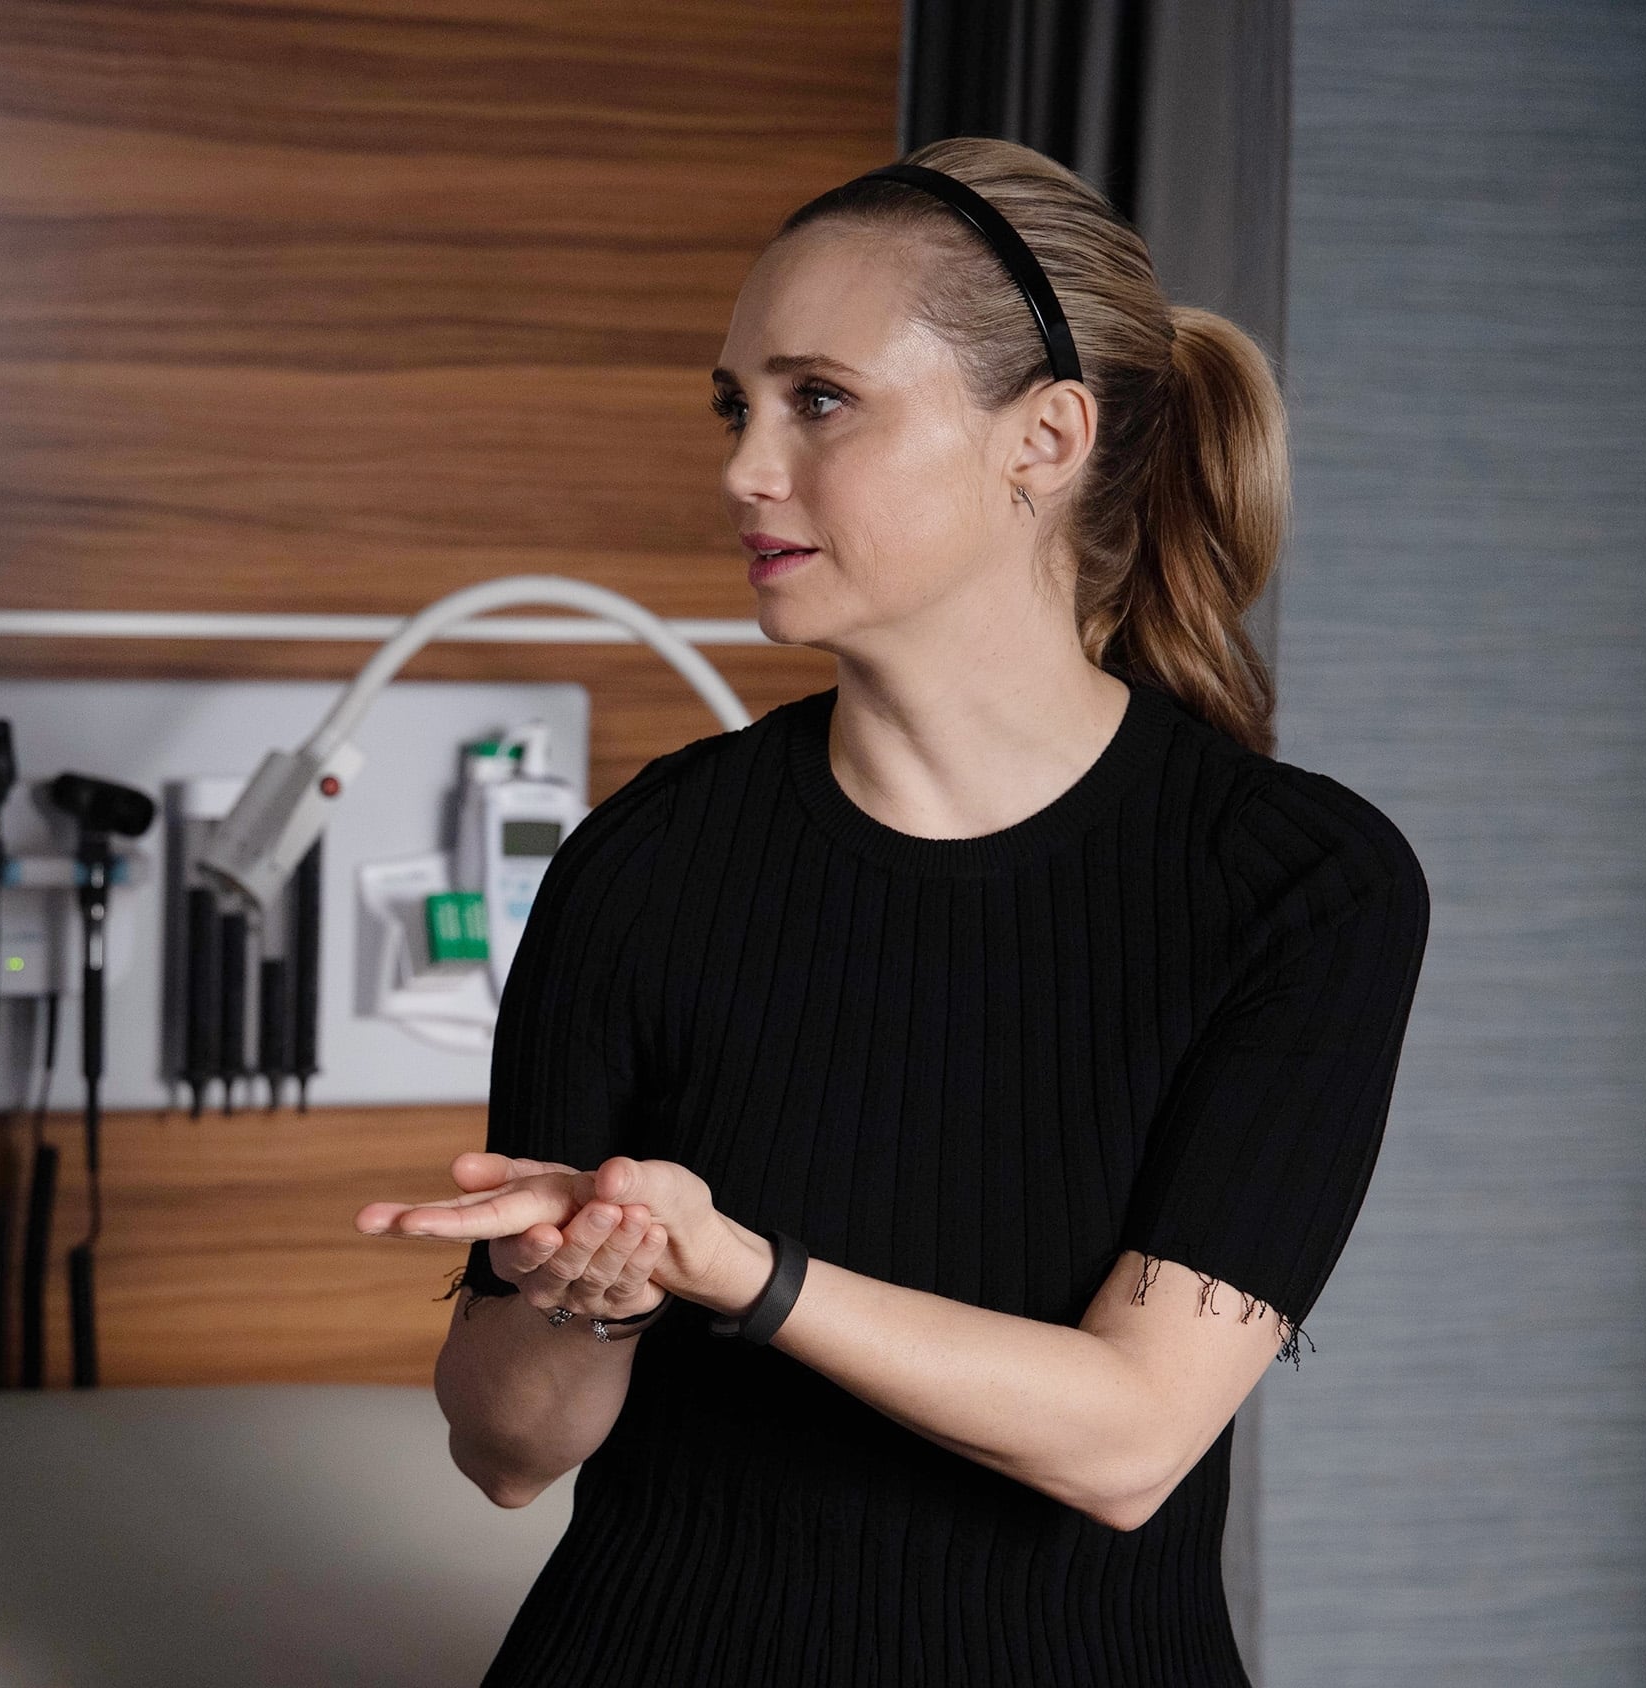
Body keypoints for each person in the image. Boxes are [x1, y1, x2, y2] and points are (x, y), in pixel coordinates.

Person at [359, 138, 1428, 1685]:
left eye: (820, 399)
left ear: (1044, 438)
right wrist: (587, 1296)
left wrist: (742, 1271)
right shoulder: (646, 862)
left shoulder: (1297, 887)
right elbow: (506, 1455)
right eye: (736, 406)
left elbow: (1131, 1439)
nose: (745, 468)